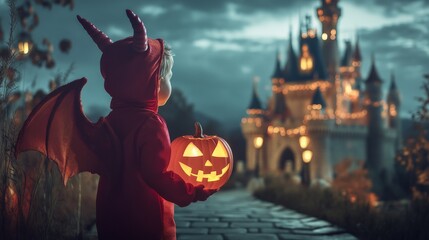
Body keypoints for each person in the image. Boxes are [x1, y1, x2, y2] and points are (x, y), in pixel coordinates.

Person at [16, 9, 217, 240]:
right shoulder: (152, 124)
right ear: (152, 81)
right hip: (146, 218)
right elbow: (157, 175)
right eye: (168, 76)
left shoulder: (109, 121)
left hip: (110, 213)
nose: (169, 82)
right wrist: (192, 193)